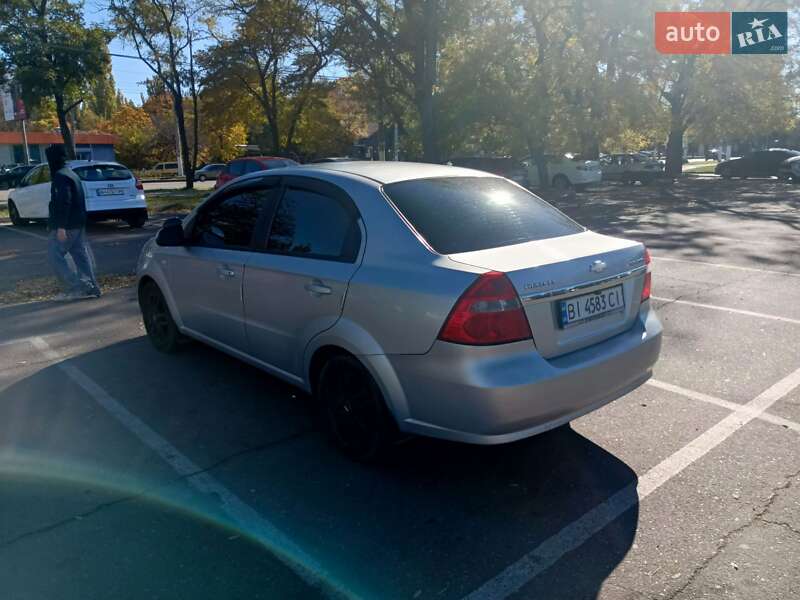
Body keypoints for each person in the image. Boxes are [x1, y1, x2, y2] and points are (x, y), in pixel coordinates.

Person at [45, 144, 101, 300]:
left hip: (68, 225)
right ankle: (91, 287)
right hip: (78, 223)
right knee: (80, 255)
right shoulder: (72, 174)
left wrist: (60, 226)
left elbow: (64, 202)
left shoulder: (60, 176)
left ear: (52, 159)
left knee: (54, 254)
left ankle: (74, 287)